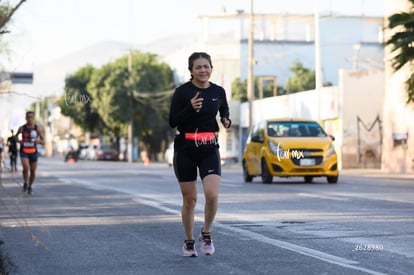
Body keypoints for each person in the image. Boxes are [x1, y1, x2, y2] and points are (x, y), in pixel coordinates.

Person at [168, 52, 232, 257]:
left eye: (206, 66)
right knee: (190, 199)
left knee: (212, 195)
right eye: (198, 67)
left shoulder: (218, 91)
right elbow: (172, 121)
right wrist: (190, 108)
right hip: (185, 148)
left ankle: (206, 232)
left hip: (209, 147)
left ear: (211, 68)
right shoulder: (182, 92)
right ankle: (189, 241)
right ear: (191, 70)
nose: (203, 70)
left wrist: (225, 119)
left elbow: (224, 108)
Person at [15, 111, 45, 195]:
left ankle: (30, 186)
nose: (30, 119)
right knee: (26, 168)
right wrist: (19, 141)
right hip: (24, 151)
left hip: (33, 151)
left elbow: (43, 140)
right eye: (28, 117)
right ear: (26, 118)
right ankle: (25, 181)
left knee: (33, 171)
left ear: (34, 118)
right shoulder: (22, 128)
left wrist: (38, 141)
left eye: (31, 117)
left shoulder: (37, 128)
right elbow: (15, 137)